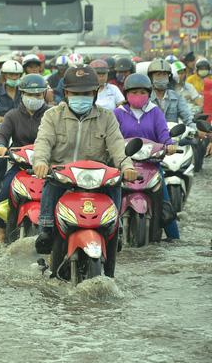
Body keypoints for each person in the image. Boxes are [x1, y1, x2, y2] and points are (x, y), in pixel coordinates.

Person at [32, 66, 138, 277]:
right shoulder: (52, 115)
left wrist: (127, 166)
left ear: (94, 94)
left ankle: (114, 229)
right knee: (51, 183)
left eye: (87, 93)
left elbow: (117, 145)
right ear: (67, 94)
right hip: (63, 175)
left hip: (97, 179)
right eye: (76, 93)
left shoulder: (106, 117)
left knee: (115, 180)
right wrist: (41, 162)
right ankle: (46, 227)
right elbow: (43, 141)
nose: (81, 97)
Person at [113, 73, 180, 240]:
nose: (138, 96)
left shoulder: (155, 112)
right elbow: (111, 136)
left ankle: (175, 239)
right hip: (123, 164)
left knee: (165, 203)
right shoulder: (118, 113)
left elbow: (163, 133)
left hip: (151, 164)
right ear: (126, 94)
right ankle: (109, 234)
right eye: (134, 92)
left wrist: (169, 144)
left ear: (149, 93)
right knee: (109, 195)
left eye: (142, 92)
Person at [0, 74, 50, 242]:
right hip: (20, 165)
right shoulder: (12, 115)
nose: (34, 98)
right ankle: (1, 231)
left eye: (38, 95)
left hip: (46, 166)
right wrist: (0, 146)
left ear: (44, 95)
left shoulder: (52, 114)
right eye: (30, 95)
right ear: (22, 94)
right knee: (4, 193)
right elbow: (1, 135)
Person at [147, 59, 195, 129]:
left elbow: (187, 117)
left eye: (164, 74)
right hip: (151, 137)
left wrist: (196, 128)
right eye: (158, 74)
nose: (162, 77)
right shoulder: (146, 97)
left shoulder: (176, 97)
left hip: (173, 137)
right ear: (151, 77)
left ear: (169, 77)